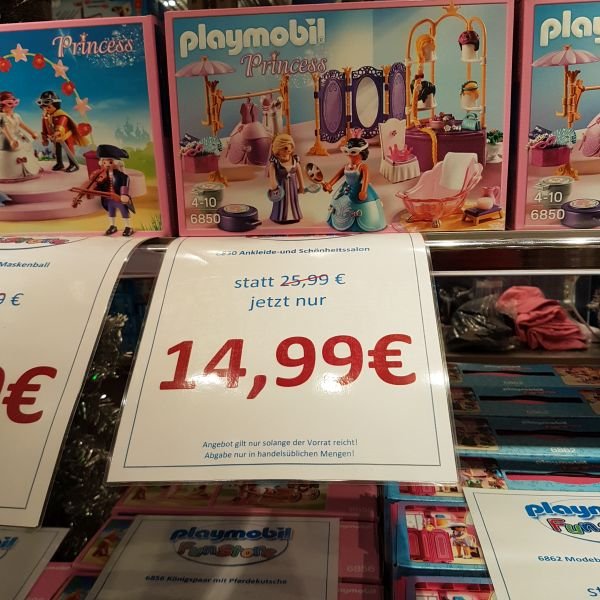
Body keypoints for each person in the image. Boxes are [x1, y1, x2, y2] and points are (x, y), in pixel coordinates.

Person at [322, 130, 385, 231]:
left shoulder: (363, 166)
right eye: (347, 151)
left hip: (358, 189)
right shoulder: (346, 166)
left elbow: (366, 179)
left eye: (353, 152)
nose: (350, 155)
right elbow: (338, 176)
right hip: (345, 189)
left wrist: (363, 191)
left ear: (362, 152)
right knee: (340, 204)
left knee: (360, 207)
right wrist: (330, 184)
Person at [74, 144, 135, 236]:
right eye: (104, 162)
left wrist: (124, 194)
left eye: (110, 162)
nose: (107, 165)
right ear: (101, 163)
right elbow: (99, 185)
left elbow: (124, 184)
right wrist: (92, 190)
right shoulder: (101, 175)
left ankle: (128, 227)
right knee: (111, 212)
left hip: (118, 197)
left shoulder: (122, 176)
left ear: (116, 163)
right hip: (108, 198)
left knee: (124, 211)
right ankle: (112, 226)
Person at [38, 90, 84, 173]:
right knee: (57, 150)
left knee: (69, 149)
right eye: (44, 108)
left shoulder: (62, 115)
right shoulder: (46, 116)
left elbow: (61, 125)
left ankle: (73, 164)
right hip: (56, 137)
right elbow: (44, 127)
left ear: (56, 105)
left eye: (48, 107)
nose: (46, 109)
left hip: (66, 135)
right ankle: (59, 163)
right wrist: (44, 137)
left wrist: (57, 132)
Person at [0, 91, 42, 182]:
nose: (12, 106)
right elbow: (4, 128)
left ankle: (30, 168)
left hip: (18, 136)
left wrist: (32, 132)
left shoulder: (16, 116)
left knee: (27, 148)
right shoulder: (2, 117)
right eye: (9, 103)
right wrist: (11, 140)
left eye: (14, 103)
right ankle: (9, 173)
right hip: (6, 138)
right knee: (10, 152)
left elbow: (22, 125)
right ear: (2, 105)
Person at [267, 133, 305, 224]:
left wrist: (302, 186)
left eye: (290, 146)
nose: (289, 149)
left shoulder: (295, 160)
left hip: (292, 188)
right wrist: (274, 186)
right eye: (285, 148)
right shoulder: (275, 162)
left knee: (293, 201)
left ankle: (294, 216)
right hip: (281, 188)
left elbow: (299, 173)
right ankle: (280, 217)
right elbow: (272, 176)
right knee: (281, 202)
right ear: (278, 148)